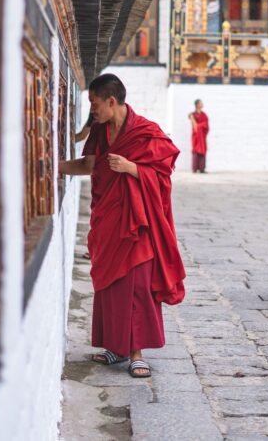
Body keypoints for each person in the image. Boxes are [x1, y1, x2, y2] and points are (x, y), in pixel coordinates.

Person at [59, 73, 186, 378]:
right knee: (110, 283)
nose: (92, 110)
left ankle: (137, 353)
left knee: (137, 284)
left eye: (94, 104)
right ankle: (116, 346)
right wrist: (54, 167)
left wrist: (132, 168)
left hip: (137, 221)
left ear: (111, 101)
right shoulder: (100, 130)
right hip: (108, 217)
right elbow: (88, 165)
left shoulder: (146, 132)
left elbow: (163, 176)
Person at [189, 99, 209, 173]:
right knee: (196, 150)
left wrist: (200, 126)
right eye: (201, 103)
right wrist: (201, 125)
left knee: (202, 150)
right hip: (196, 136)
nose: (202, 104)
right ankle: (195, 168)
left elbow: (206, 124)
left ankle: (202, 169)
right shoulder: (193, 115)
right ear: (197, 105)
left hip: (202, 136)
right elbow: (195, 127)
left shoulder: (204, 115)